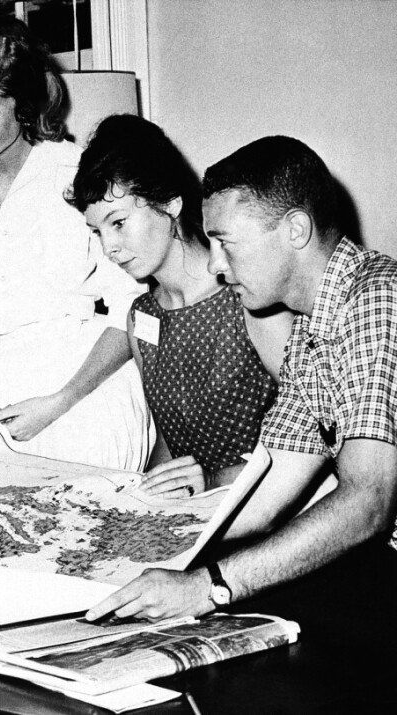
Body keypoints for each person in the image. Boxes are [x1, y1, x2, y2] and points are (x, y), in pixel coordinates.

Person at [86, 136, 397, 641]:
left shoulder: (378, 297)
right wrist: (138, 547)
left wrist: (210, 587)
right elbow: (267, 492)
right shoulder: (314, 332)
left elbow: (368, 501)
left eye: (225, 241)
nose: (215, 264)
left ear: (295, 229)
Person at [0, 17, 153, 471]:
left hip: (86, 373)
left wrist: (61, 401)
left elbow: (131, 307)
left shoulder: (79, 170)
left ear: (23, 104)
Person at [67, 115, 293, 497]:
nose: (108, 248)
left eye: (118, 223)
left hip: (270, 516)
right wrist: (138, 499)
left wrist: (212, 480)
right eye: (97, 232)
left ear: (170, 203)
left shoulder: (251, 298)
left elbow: (321, 441)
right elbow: (171, 448)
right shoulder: (141, 318)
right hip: (194, 520)